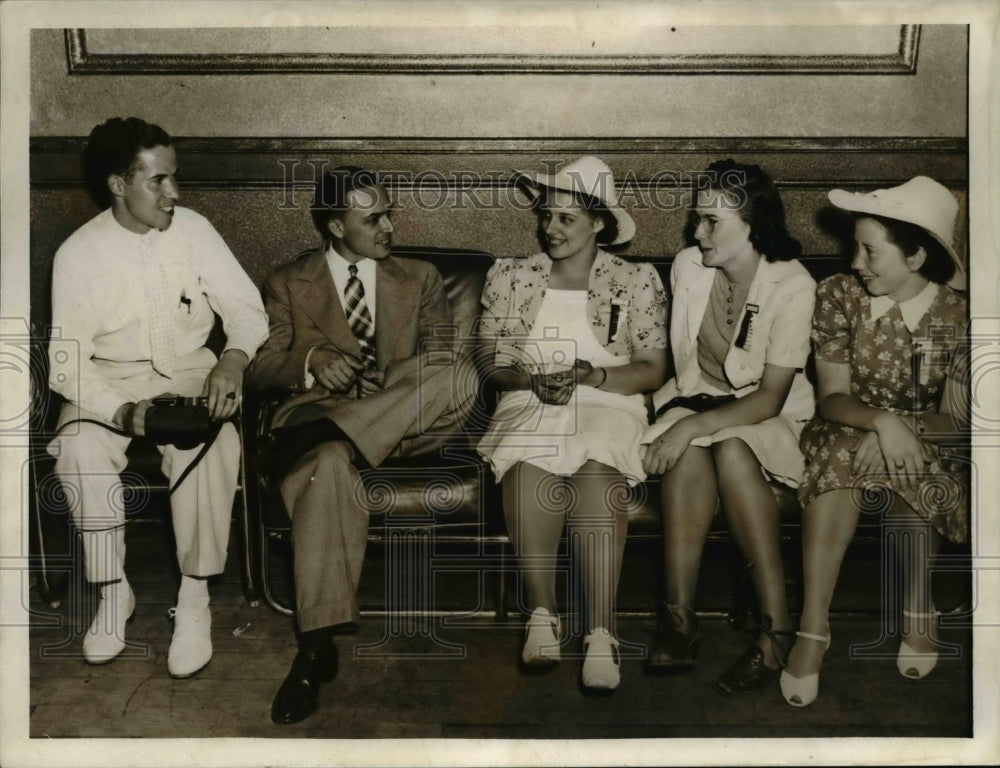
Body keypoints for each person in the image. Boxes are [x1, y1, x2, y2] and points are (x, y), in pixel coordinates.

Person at [247, 166, 478, 724]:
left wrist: (390, 378)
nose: (390, 225)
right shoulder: (287, 282)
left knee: (462, 376)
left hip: (409, 421)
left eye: (388, 212)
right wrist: (313, 364)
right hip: (323, 415)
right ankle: (314, 649)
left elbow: (442, 355)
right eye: (372, 217)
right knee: (327, 463)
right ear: (334, 226)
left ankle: (331, 432)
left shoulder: (419, 276)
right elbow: (260, 367)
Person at [47, 117, 269, 677]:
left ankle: (194, 600)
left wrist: (232, 361)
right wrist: (122, 412)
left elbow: (245, 309)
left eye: (174, 179)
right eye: (158, 181)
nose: (174, 193)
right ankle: (111, 592)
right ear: (119, 185)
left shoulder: (193, 230)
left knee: (213, 442)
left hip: (193, 371)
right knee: (78, 447)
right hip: (108, 380)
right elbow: (66, 360)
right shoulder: (78, 253)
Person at [476, 156, 668, 692]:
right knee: (528, 456)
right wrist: (529, 381)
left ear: (599, 224)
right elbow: (492, 365)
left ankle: (601, 632)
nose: (550, 228)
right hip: (528, 398)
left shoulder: (636, 280)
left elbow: (652, 370)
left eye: (566, 219)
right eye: (547, 216)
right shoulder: (512, 275)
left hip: (610, 398)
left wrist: (592, 374)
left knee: (597, 466)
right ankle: (542, 616)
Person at [780, 176, 968, 707]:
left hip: (929, 441)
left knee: (912, 464)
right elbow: (833, 399)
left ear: (916, 256)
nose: (856, 261)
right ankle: (813, 627)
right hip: (847, 428)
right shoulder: (838, 294)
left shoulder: (960, 316)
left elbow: (955, 422)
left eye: (870, 250)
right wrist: (883, 422)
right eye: (854, 247)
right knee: (843, 451)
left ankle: (916, 607)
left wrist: (902, 433)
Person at [640, 160, 816, 695]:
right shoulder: (688, 266)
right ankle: (679, 619)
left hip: (765, 411)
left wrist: (693, 424)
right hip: (695, 399)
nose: (698, 232)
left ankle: (775, 628)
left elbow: (768, 396)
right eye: (698, 219)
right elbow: (687, 374)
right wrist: (686, 425)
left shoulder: (792, 284)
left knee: (734, 449)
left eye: (712, 221)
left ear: (754, 223)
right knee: (689, 453)